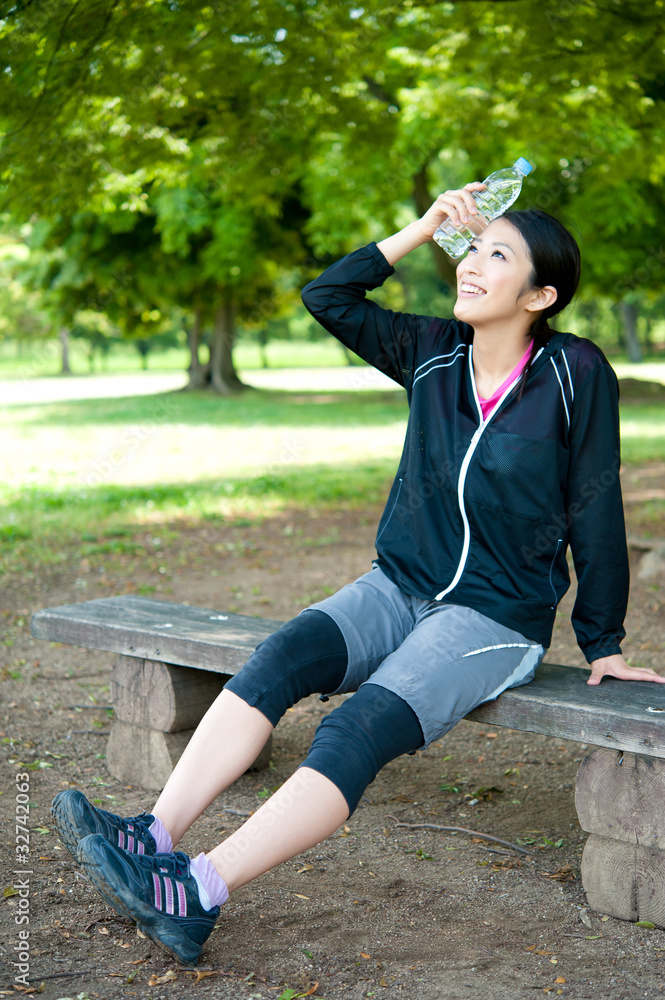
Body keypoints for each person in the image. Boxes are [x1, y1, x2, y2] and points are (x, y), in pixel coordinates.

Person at [51, 182, 665, 967]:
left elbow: (594, 503)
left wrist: (602, 640)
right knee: (279, 658)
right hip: (395, 585)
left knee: (353, 727)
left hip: (492, 619)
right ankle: (151, 834)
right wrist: (427, 224)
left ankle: (196, 890)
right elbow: (327, 295)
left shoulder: (574, 370)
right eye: (473, 249)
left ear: (541, 295)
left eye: (497, 255)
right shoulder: (432, 351)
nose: (472, 264)